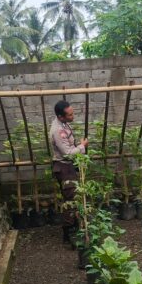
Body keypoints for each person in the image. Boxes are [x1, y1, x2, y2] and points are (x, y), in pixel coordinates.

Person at [50, 100, 88, 243]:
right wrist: (82, 146)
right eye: (70, 115)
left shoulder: (63, 124)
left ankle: (74, 226)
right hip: (64, 167)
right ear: (61, 116)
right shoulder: (57, 131)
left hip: (67, 166)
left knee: (73, 196)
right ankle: (69, 233)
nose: (73, 116)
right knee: (70, 200)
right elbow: (68, 153)